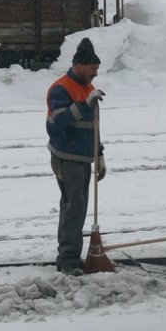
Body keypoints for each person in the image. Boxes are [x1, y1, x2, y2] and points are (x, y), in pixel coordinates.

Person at [46, 38, 106, 275]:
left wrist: (99, 154)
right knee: (74, 208)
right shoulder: (61, 88)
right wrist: (83, 104)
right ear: (80, 65)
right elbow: (58, 123)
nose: (96, 73)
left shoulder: (88, 88)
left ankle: (71, 256)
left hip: (83, 157)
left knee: (77, 208)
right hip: (66, 157)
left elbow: (93, 126)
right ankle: (68, 260)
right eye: (93, 68)